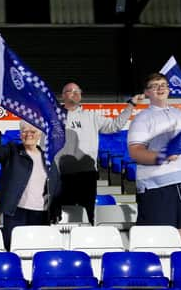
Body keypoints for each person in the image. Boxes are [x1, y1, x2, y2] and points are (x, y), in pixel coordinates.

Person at [127, 73, 181, 250]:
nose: (161, 87)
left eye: (163, 84)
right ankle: (161, 272)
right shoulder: (142, 119)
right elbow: (135, 152)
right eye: (155, 85)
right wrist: (161, 155)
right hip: (158, 185)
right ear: (147, 93)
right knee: (161, 235)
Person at [56, 82, 144, 222]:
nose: (75, 93)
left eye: (78, 90)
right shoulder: (53, 116)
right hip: (61, 174)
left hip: (87, 174)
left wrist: (131, 105)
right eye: (70, 91)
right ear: (62, 95)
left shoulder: (92, 117)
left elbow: (115, 126)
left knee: (88, 214)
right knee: (61, 217)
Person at [0, 120, 60, 250]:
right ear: (20, 135)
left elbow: (55, 183)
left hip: (41, 213)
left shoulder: (48, 158)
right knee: (14, 247)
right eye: (24, 131)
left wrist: (54, 209)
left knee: (37, 248)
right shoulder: (12, 150)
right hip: (16, 211)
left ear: (39, 135)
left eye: (33, 131)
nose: (28, 135)